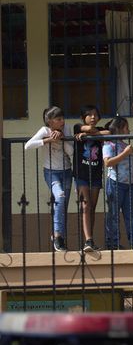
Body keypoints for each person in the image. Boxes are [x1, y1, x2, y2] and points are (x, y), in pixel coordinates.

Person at [25, 106, 73, 252]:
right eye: (58, 119)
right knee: (60, 196)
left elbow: (71, 152)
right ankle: (58, 236)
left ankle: (59, 238)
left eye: (63, 118)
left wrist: (62, 139)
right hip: (51, 172)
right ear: (50, 122)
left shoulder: (67, 129)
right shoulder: (45, 131)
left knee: (62, 206)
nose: (62, 121)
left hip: (66, 171)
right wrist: (47, 141)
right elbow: (28, 145)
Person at [73, 105, 110, 251]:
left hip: (95, 174)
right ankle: (88, 240)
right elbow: (85, 129)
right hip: (81, 175)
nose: (93, 117)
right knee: (85, 206)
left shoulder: (100, 129)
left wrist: (93, 135)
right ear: (83, 118)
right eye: (89, 115)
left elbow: (109, 132)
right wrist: (90, 133)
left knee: (92, 207)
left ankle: (91, 239)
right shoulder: (77, 127)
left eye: (95, 114)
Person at [102, 116, 133, 250]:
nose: (128, 130)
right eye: (126, 127)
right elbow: (108, 162)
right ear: (118, 129)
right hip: (115, 183)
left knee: (130, 215)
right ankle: (113, 243)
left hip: (129, 185)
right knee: (114, 214)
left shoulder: (126, 146)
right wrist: (124, 153)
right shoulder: (109, 144)